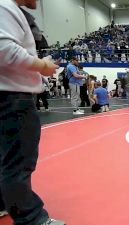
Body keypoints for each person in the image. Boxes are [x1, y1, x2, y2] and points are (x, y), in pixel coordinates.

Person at [0, 0, 65, 224]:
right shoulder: (4, 7)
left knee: (6, 158)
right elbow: (4, 50)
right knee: (19, 161)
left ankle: (4, 202)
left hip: (9, 96)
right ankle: (32, 218)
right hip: (12, 98)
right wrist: (42, 66)